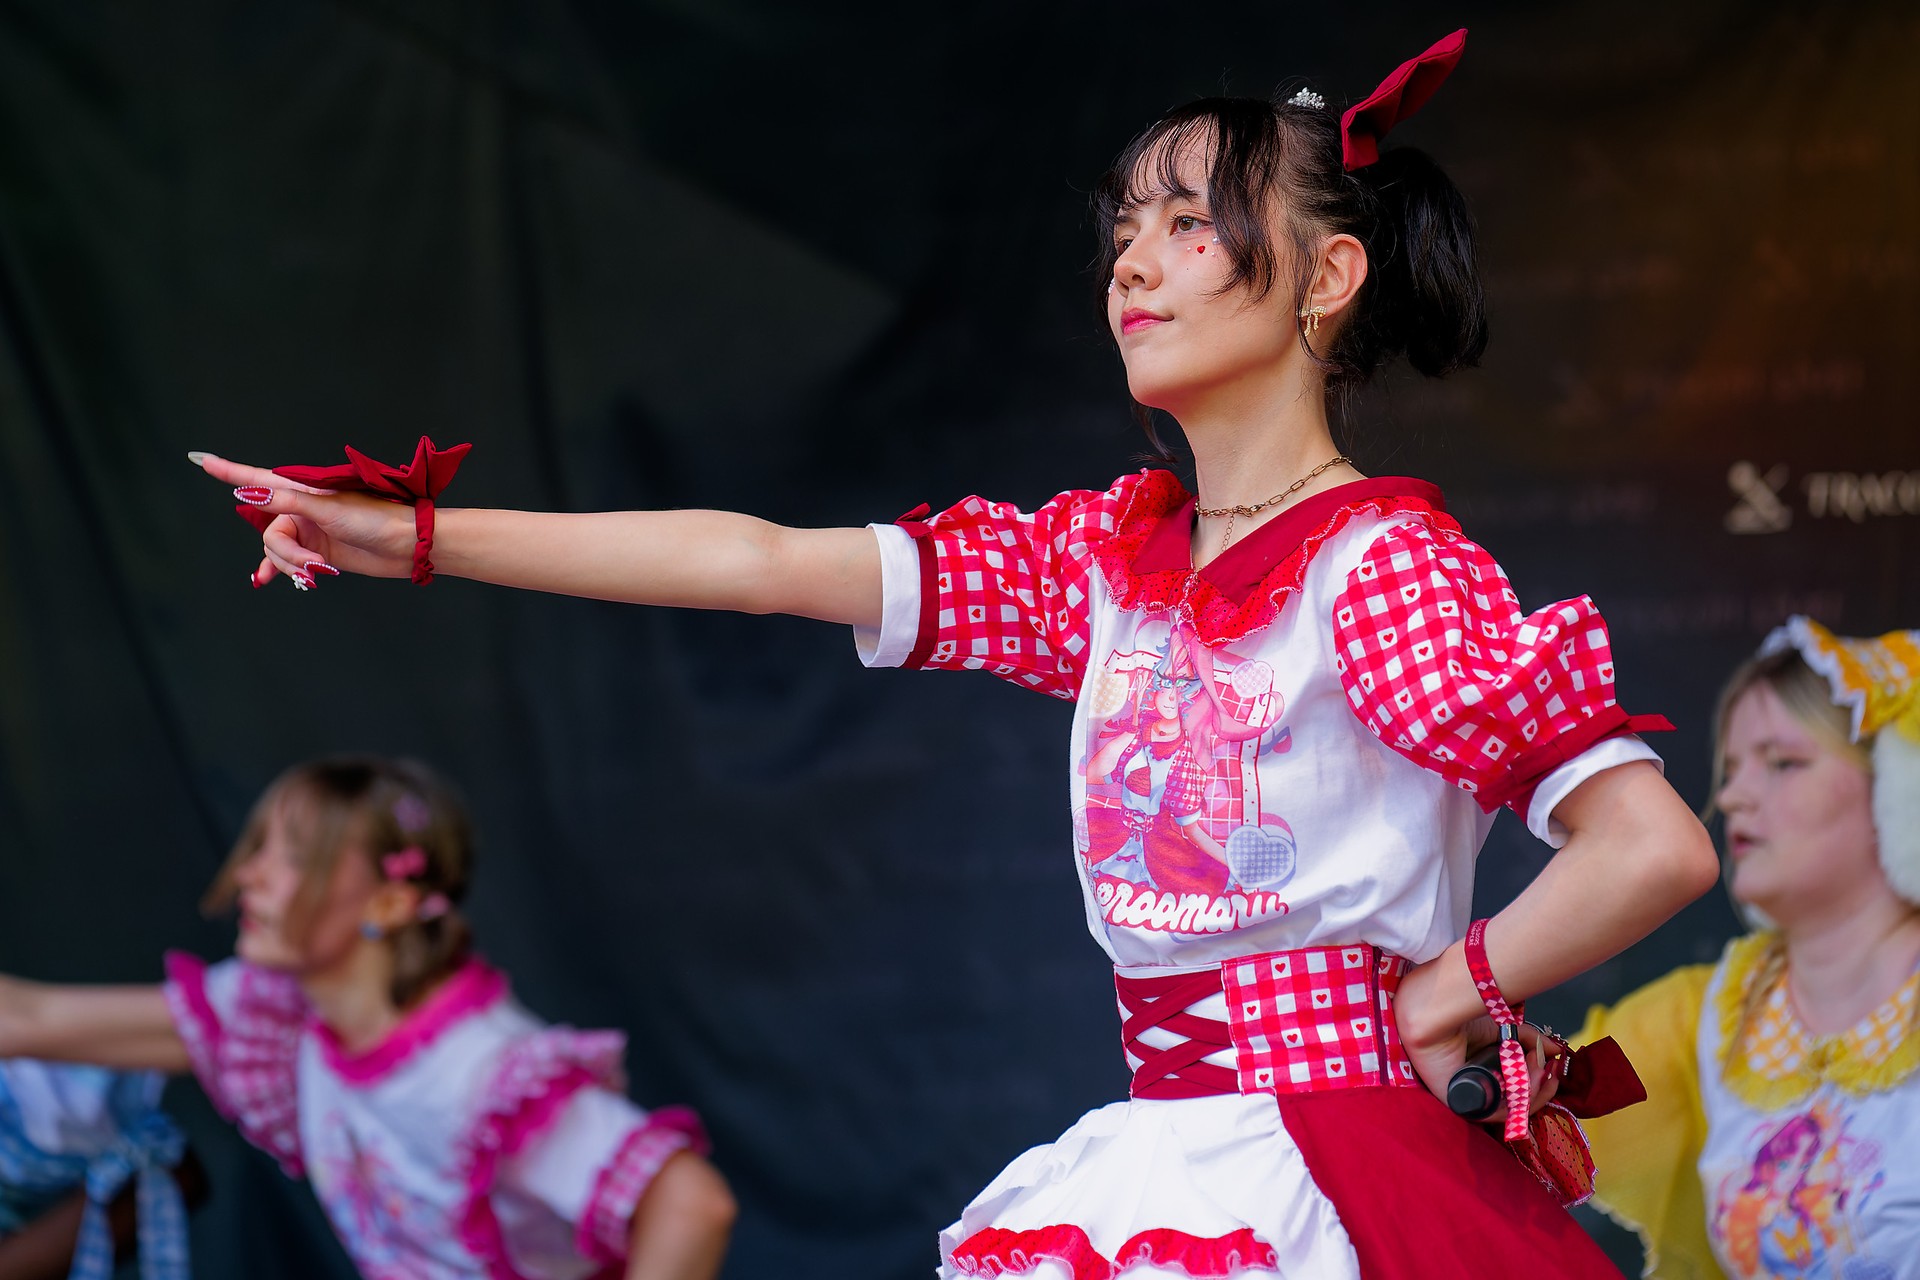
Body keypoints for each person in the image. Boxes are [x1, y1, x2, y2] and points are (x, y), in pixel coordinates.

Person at [187, 30, 1718, 1280]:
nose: (1135, 263)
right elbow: (760, 563)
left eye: (1190, 223)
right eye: (1125, 229)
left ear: (1326, 279)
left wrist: (1446, 992)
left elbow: (1649, 845)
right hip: (1172, 1153)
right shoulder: (1102, 565)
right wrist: (419, 536)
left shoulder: (1377, 569)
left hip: (1342, 1174)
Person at [0, 757, 735, 1280]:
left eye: (293, 857)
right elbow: (29, 1018)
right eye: (259, 849)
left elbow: (692, 1205)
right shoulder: (284, 1027)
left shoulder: (479, 1072)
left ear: (390, 902)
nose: (251, 875)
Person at [1576, 618, 1920, 1280]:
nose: (1732, 796)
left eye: (1783, 763)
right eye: (1731, 770)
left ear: (1899, 790)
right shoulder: (1702, 1018)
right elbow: (1541, 1115)